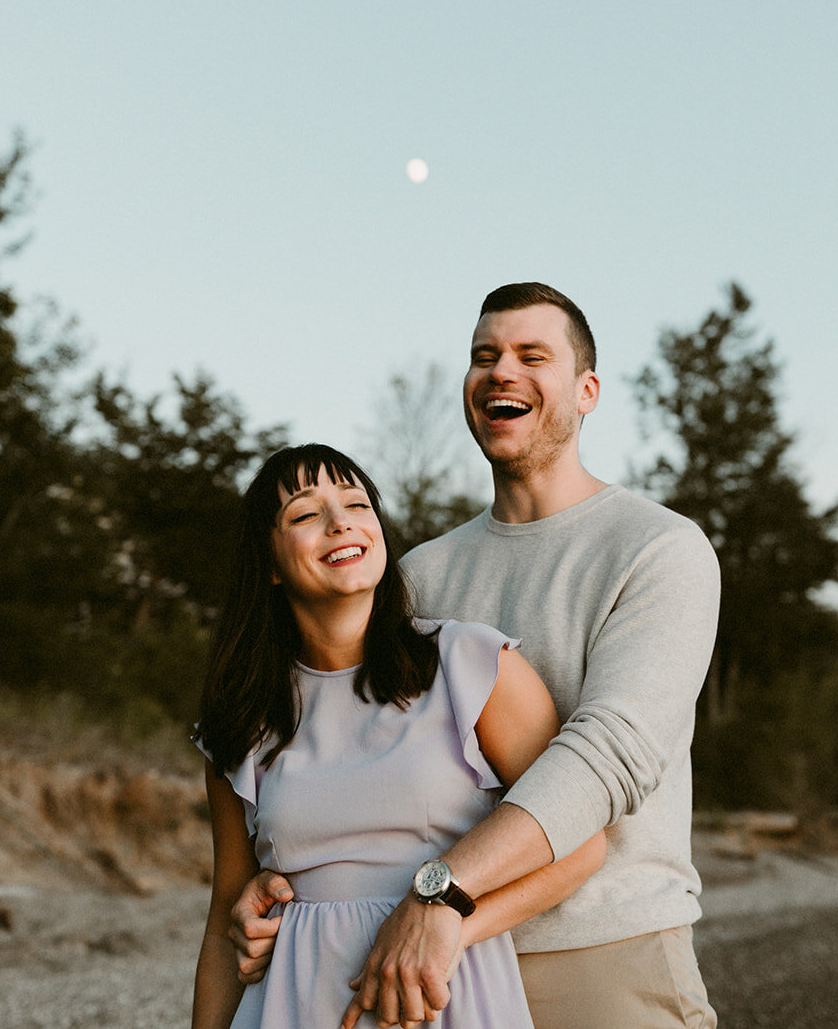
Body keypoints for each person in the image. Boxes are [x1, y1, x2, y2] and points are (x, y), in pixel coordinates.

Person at [231, 284, 721, 1029]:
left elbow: (608, 754)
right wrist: (283, 880)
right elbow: (351, 751)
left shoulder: (657, 549)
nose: (501, 371)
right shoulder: (418, 576)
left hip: (598, 950)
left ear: (587, 390)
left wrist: (443, 892)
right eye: (484, 356)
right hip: (430, 973)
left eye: (532, 355)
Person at [191, 443, 606, 1029]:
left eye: (358, 504)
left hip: (445, 997)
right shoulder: (242, 720)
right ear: (269, 564)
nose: (341, 523)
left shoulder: (471, 663)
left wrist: (450, 923)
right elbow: (221, 923)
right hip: (294, 1005)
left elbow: (583, 843)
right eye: (306, 514)